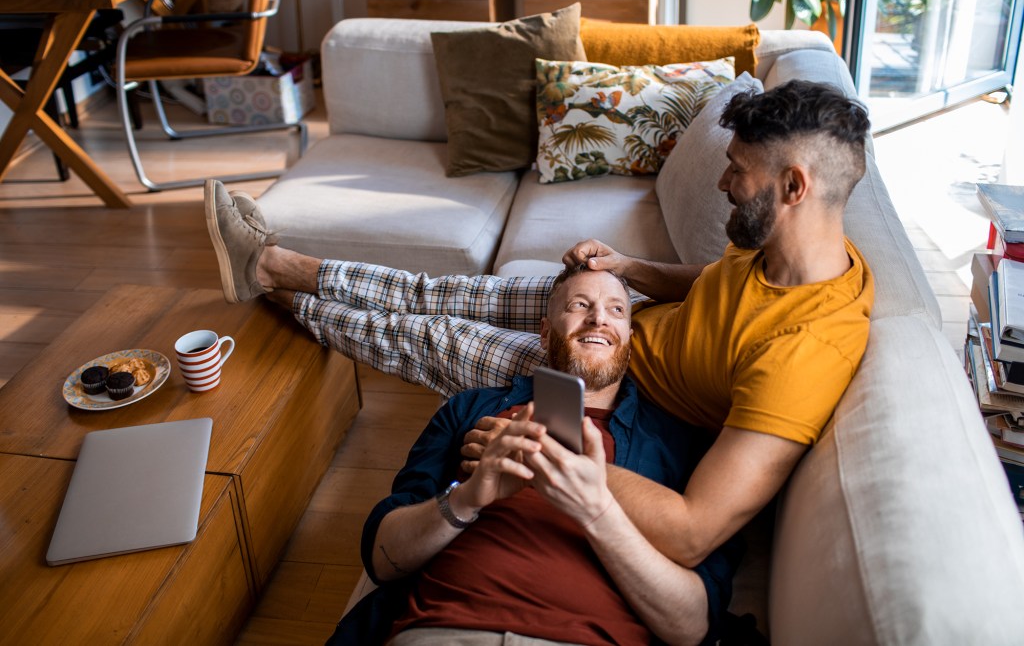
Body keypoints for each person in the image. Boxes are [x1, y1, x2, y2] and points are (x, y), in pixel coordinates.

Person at [204, 79, 874, 567]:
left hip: (614, 386)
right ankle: (278, 266)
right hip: (629, 318)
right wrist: (629, 268)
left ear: (794, 187)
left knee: (428, 337)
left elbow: (695, 530)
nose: (725, 185)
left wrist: (548, 448)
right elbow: (717, 286)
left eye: (739, 172)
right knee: (447, 293)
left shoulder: (807, 349)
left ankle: (277, 293)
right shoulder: (781, 247)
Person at [327, 265, 741, 646]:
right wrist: (467, 498)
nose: (598, 319)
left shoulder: (677, 441)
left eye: (616, 309)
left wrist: (596, 510)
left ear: (630, 341)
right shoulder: (472, 410)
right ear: (545, 333)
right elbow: (383, 559)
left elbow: (692, 625)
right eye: (580, 305)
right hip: (444, 630)